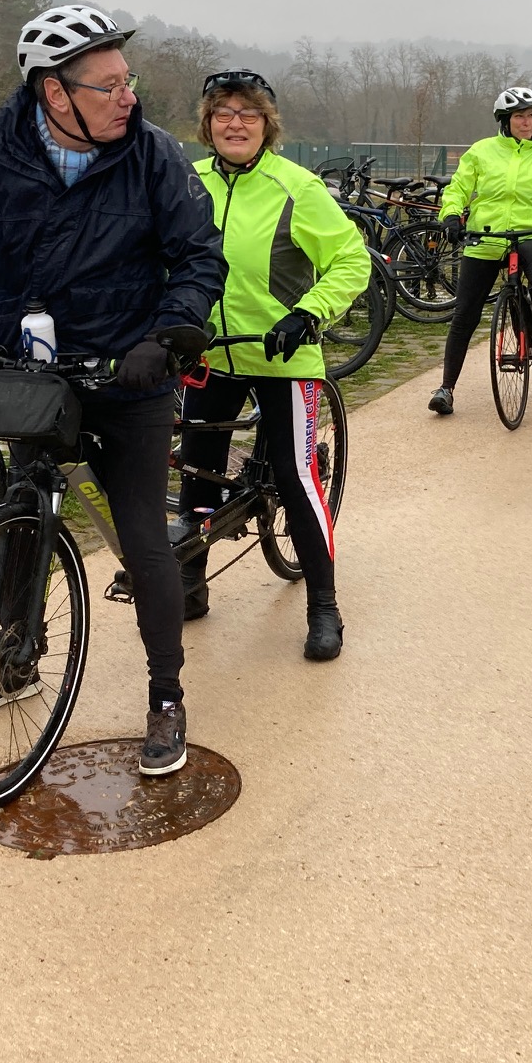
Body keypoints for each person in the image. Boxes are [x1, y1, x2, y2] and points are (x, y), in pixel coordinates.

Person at [0, 4, 226, 777]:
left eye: (128, 80)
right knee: (21, 513)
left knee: (143, 532)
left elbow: (198, 255)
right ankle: (12, 659)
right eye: (109, 84)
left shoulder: (154, 156)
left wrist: (169, 335)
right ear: (55, 93)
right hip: (30, 373)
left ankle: (167, 695)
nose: (129, 96)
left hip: (128, 372)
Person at [178, 69, 367, 661]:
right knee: (198, 469)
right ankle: (190, 580)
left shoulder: (297, 186)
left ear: (267, 125)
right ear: (208, 125)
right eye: (223, 113)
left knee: (294, 471)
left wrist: (309, 313)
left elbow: (350, 260)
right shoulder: (187, 185)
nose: (235, 123)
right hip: (209, 351)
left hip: (284, 354)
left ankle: (324, 604)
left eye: (248, 114)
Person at [427, 86, 532, 416]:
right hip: (486, 237)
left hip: (530, 233)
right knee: (465, 313)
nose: (527, 122)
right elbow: (459, 187)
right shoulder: (481, 152)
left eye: (530, 116)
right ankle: (446, 388)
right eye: (519, 117)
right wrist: (452, 215)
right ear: (504, 120)